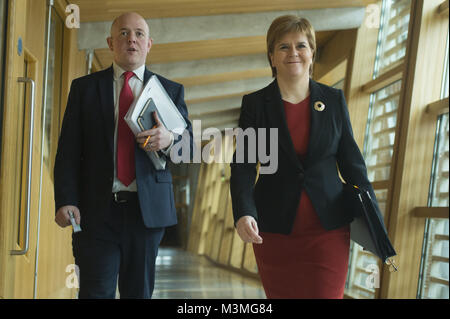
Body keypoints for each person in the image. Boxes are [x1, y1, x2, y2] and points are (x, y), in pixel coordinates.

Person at [230, 15, 382, 299]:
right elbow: (243, 165)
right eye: (283, 47)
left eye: (301, 45)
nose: (293, 53)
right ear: (272, 57)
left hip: (329, 229)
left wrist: (374, 219)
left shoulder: (334, 100)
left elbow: (352, 164)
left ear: (312, 53)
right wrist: (243, 212)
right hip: (274, 231)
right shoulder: (255, 105)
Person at [54, 12, 193, 299]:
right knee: (95, 292)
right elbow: (68, 150)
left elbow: (187, 148)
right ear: (110, 43)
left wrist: (169, 139)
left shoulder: (170, 90)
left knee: (138, 293)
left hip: (147, 214)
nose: (132, 39)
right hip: (95, 213)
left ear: (149, 43)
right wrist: (66, 199)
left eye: (139, 34)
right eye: (124, 33)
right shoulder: (85, 89)